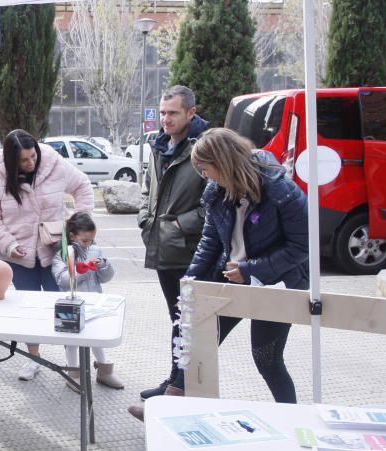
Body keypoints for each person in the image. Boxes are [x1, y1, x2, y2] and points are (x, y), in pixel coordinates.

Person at [129, 128, 307, 420]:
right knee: (199, 342)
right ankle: (173, 402)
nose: (203, 175)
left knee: (267, 360)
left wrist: (251, 270)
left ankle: (296, 421)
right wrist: (192, 278)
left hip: (278, 285)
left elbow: (301, 247)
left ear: (224, 163)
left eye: (205, 168)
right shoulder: (216, 191)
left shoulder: (280, 190)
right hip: (230, 280)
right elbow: (210, 240)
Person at [0, 129, 94, 381]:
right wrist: (8, 244)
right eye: (23, 160)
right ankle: (33, 359)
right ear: (10, 160)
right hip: (18, 258)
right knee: (26, 309)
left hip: (57, 252)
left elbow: (83, 186)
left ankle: (73, 364)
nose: (31, 163)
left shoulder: (53, 163)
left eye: (33, 157)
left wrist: (77, 225)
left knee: (64, 307)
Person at [136, 85, 209, 400]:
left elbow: (220, 198)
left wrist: (182, 224)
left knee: (187, 320)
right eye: (163, 113)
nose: (165, 119)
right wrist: (145, 218)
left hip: (190, 250)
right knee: (177, 318)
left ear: (191, 113)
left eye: (173, 113)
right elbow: (148, 187)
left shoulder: (205, 146)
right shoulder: (159, 144)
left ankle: (181, 386)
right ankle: (174, 381)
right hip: (163, 245)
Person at [51, 212, 122, 389]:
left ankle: (105, 370)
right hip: (71, 303)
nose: (88, 243)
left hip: (94, 301)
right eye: (85, 240)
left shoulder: (95, 250)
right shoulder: (62, 253)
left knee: (95, 335)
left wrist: (103, 264)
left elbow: (106, 278)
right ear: (72, 236)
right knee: (72, 340)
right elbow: (63, 281)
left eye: (91, 240)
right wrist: (79, 270)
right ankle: (74, 373)